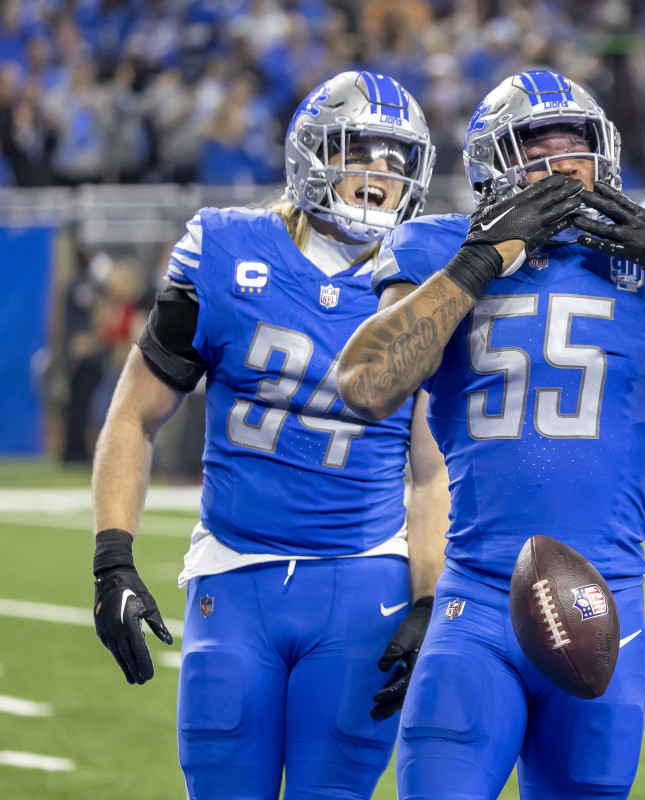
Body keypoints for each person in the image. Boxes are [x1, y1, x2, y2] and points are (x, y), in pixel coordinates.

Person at [335, 69, 645, 799]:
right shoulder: (440, 248)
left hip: (605, 606)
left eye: (576, 145)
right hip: (476, 605)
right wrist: (484, 257)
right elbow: (365, 386)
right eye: (536, 147)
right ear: (495, 164)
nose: (561, 165)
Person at [89, 71, 449, 800]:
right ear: (313, 154)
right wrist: (111, 561)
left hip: (364, 576)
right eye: (363, 151)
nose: (382, 176)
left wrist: (425, 601)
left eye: (398, 159)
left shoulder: (428, 273)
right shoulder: (224, 249)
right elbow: (134, 413)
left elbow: (431, 468)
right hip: (235, 570)